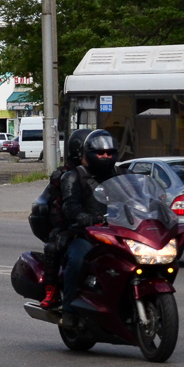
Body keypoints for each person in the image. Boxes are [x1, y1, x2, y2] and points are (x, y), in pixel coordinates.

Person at [59, 129, 119, 308]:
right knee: (78, 260)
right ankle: (69, 307)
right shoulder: (74, 176)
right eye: (100, 153)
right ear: (89, 153)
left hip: (118, 233)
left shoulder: (121, 174)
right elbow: (70, 204)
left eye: (109, 153)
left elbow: (136, 197)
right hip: (85, 235)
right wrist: (82, 216)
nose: (105, 156)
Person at [38, 129, 90, 308]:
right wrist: (68, 225)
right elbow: (57, 206)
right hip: (70, 226)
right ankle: (51, 290)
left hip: (97, 226)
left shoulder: (98, 172)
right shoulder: (63, 175)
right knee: (55, 246)